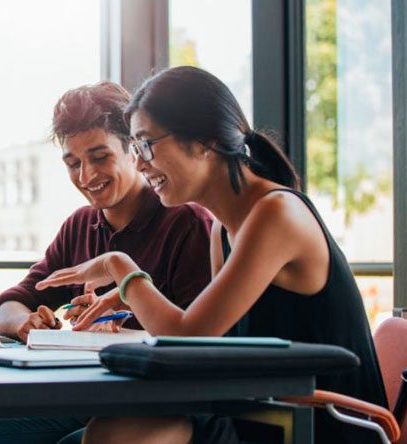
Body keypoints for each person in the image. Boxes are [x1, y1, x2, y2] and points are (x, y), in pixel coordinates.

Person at [36, 66, 387, 444]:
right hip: (261, 411)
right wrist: (127, 294)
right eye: (136, 148)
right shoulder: (224, 228)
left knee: (114, 435)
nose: (139, 163)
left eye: (147, 145)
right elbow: (208, 346)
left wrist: (119, 268)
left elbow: (188, 335)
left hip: (318, 424)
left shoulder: (275, 214)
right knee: (108, 430)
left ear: (204, 141)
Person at [0, 81, 213, 444]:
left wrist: (124, 319)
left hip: (157, 406)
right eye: (73, 163)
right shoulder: (80, 225)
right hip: (87, 399)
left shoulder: (186, 223)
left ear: (134, 150)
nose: (86, 176)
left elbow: (197, 343)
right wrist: (26, 323)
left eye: (100, 157)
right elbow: (11, 303)